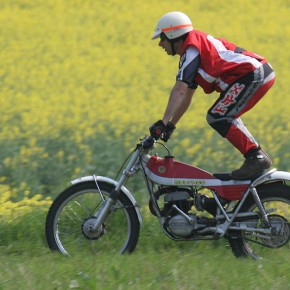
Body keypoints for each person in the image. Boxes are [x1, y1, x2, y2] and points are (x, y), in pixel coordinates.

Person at [149, 11, 275, 180]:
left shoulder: (192, 50)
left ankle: (256, 157)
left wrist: (162, 123)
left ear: (172, 34)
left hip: (252, 74)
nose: (160, 44)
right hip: (255, 73)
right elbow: (186, 95)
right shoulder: (192, 52)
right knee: (222, 115)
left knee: (217, 116)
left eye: (162, 38)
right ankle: (255, 157)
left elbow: (179, 89)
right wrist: (171, 125)